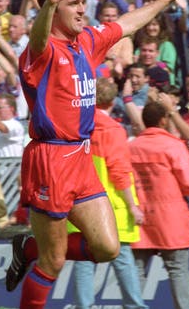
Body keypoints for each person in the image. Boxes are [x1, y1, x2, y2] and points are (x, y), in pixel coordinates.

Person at [5, 0, 186, 309]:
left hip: (81, 159)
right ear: (53, 7)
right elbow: (39, 35)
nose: (82, 10)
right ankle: (35, 258)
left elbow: (126, 24)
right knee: (53, 261)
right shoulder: (40, 52)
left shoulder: (85, 41)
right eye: (73, 4)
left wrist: (166, 0)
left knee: (107, 247)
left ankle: (28, 248)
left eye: (82, 3)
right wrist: (47, 6)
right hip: (51, 160)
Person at [70, 78, 146, 309]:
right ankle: (135, 306)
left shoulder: (74, 124)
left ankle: (84, 306)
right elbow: (119, 171)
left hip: (78, 202)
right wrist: (132, 205)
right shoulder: (112, 130)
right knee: (122, 257)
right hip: (110, 205)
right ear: (113, 101)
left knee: (84, 260)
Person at [129, 101, 189, 309]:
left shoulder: (130, 147)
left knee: (137, 272)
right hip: (172, 220)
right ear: (163, 120)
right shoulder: (173, 146)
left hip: (140, 217)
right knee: (178, 270)